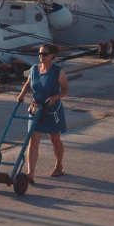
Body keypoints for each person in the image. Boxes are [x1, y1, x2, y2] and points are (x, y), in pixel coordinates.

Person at [16, 43, 69, 182]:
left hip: (52, 110)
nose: (41, 56)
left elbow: (65, 90)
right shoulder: (34, 69)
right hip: (35, 108)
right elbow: (28, 83)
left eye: (45, 54)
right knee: (33, 141)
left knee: (54, 139)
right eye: (39, 54)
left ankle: (59, 166)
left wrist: (54, 98)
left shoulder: (58, 72)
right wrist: (21, 95)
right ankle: (30, 174)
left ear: (52, 55)